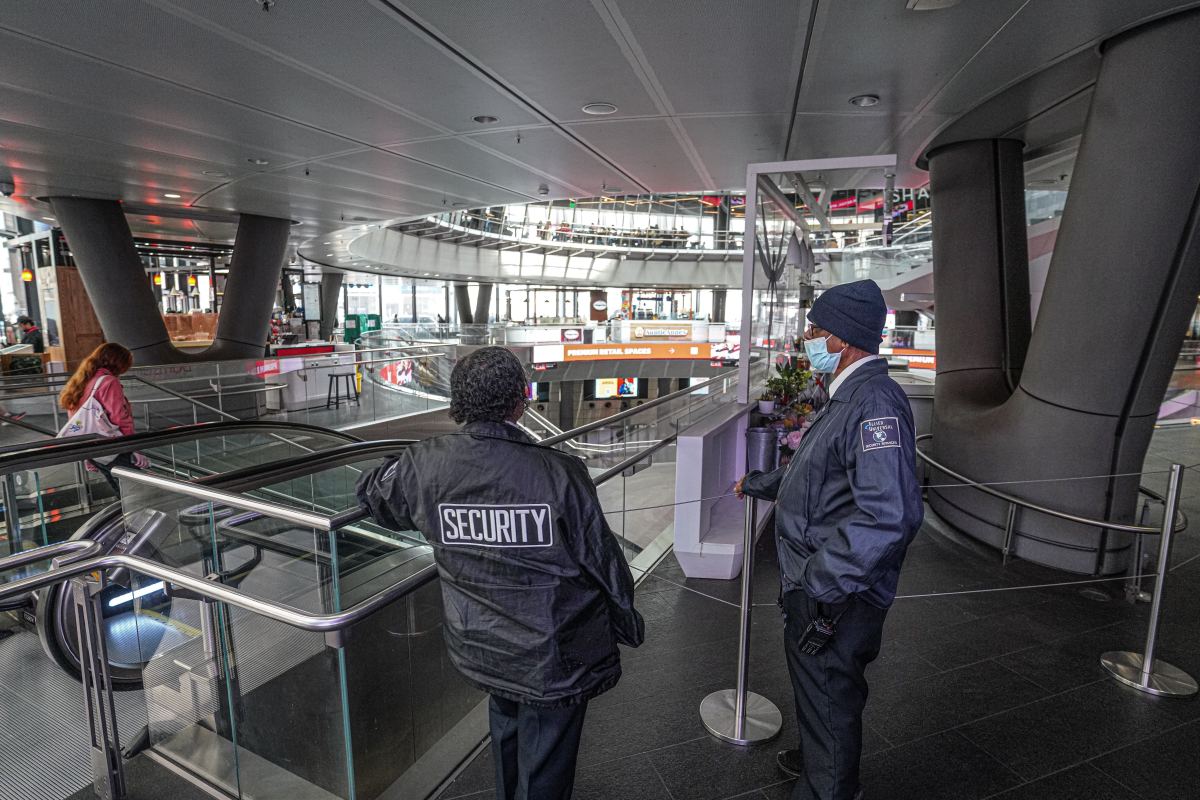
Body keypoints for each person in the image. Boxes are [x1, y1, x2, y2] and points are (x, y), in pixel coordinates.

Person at [356, 347, 643, 800]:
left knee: (506, 731)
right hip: (554, 654)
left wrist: (413, 462)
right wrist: (626, 621)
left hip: (483, 643)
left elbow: (374, 494)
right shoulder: (560, 473)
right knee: (546, 764)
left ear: (458, 402)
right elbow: (603, 562)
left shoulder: (424, 465)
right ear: (519, 401)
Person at [737, 280, 922, 800]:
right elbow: (817, 475)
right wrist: (755, 484)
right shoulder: (847, 397)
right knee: (821, 693)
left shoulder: (874, 403)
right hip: (823, 582)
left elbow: (891, 515)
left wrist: (820, 582)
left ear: (843, 338)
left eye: (816, 329)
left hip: (837, 593)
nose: (808, 338)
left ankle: (830, 784)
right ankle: (822, 757)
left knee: (831, 693)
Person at [58, 343, 149, 490]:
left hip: (92, 449)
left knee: (120, 492)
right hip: (113, 447)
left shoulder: (83, 379)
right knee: (137, 492)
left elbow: (77, 418)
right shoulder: (109, 382)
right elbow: (120, 418)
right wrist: (133, 448)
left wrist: (86, 455)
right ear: (118, 362)